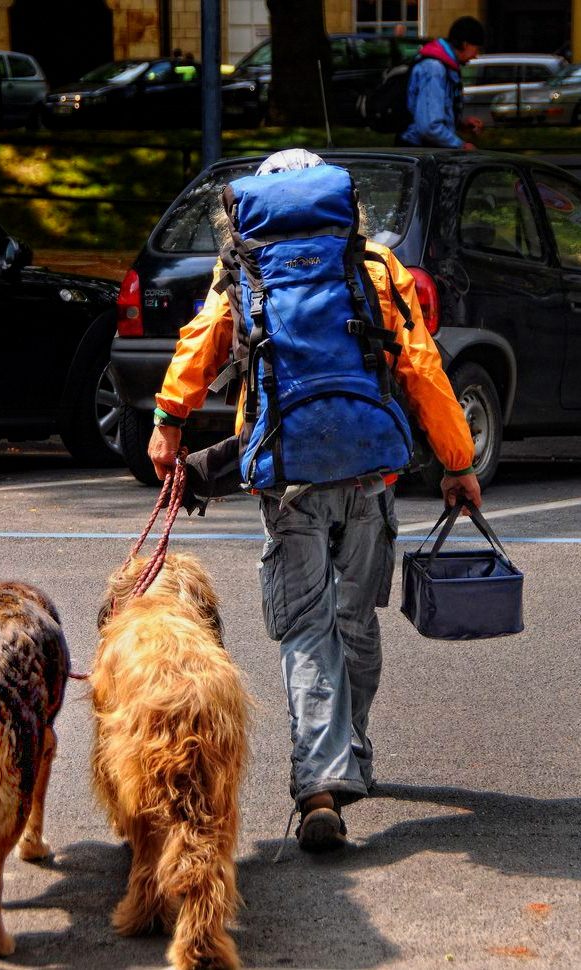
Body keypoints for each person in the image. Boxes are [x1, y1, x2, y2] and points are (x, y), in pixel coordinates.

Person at [148, 148, 482, 852]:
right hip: (368, 473)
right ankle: (351, 753)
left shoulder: (245, 268)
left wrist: (167, 422)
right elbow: (419, 365)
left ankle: (320, 785)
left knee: (305, 629)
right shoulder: (375, 266)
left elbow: (199, 347)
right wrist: (457, 462)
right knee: (355, 622)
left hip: (286, 475)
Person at [398, 15, 486, 150]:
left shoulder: (444, 65)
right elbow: (429, 127)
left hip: (423, 148)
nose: (476, 55)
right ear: (465, 44)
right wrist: (461, 146)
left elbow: (433, 112)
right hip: (418, 151)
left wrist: (461, 123)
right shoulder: (434, 68)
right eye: (476, 48)